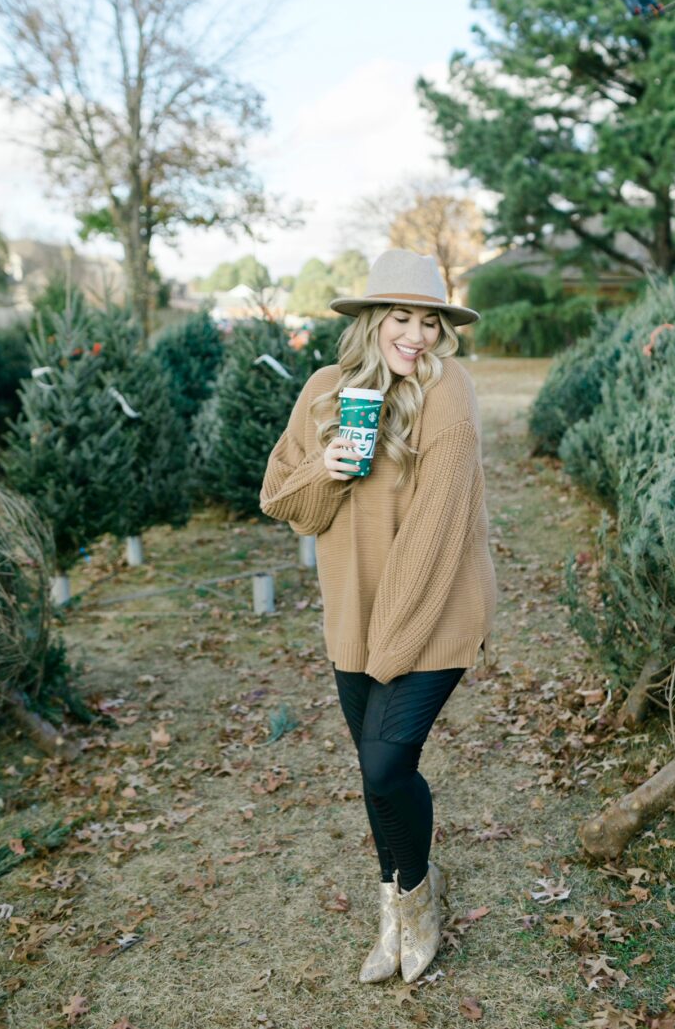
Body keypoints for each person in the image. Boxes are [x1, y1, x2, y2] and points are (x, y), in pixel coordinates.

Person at [259, 248, 496, 984]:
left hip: (435, 609)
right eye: (402, 317)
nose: (417, 335)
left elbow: (434, 532)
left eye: (430, 321)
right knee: (376, 772)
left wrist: (388, 649)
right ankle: (393, 909)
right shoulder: (326, 392)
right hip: (354, 619)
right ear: (370, 321)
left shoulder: (447, 392)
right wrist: (323, 468)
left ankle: (419, 901)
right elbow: (284, 502)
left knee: (386, 760)